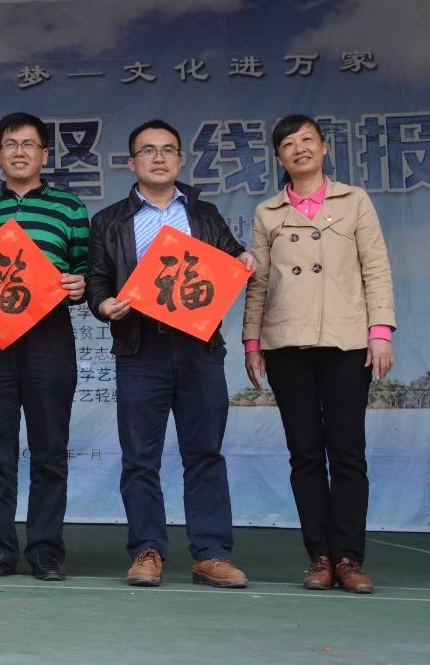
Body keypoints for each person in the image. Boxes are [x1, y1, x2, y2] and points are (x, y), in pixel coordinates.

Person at [85, 119, 256, 588]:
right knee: (140, 457)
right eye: (148, 150)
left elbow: (233, 258)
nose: (158, 158)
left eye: (167, 150)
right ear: (131, 162)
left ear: (180, 160)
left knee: (205, 453)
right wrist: (103, 305)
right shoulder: (109, 221)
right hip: (141, 348)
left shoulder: (204, 213)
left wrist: (243, 260)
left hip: (199, 347)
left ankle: (211, 554)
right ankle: (146, 550)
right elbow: (97, 281)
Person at [243, 114, 394, 595]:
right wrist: (252, 341)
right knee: (304, 453)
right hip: (286, 343)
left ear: (325, 147)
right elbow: (258, 282)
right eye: (288, 143)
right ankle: (320, 558)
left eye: (307, 139)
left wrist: (380, 331)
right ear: (279, 157)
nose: (299, 148)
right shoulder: (267, 212)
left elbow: (376, 267)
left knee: (347, 451)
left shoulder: (354, 201)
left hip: (347, 342)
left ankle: (349, 558)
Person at [0, 113, 89, 582]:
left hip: (49, 334)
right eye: (10, 144)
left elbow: (87, 269)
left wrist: (80, 284)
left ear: (44, 155)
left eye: (29, 144)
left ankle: (46, 550)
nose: (19, 152)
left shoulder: (70, 208)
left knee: (50, 446)